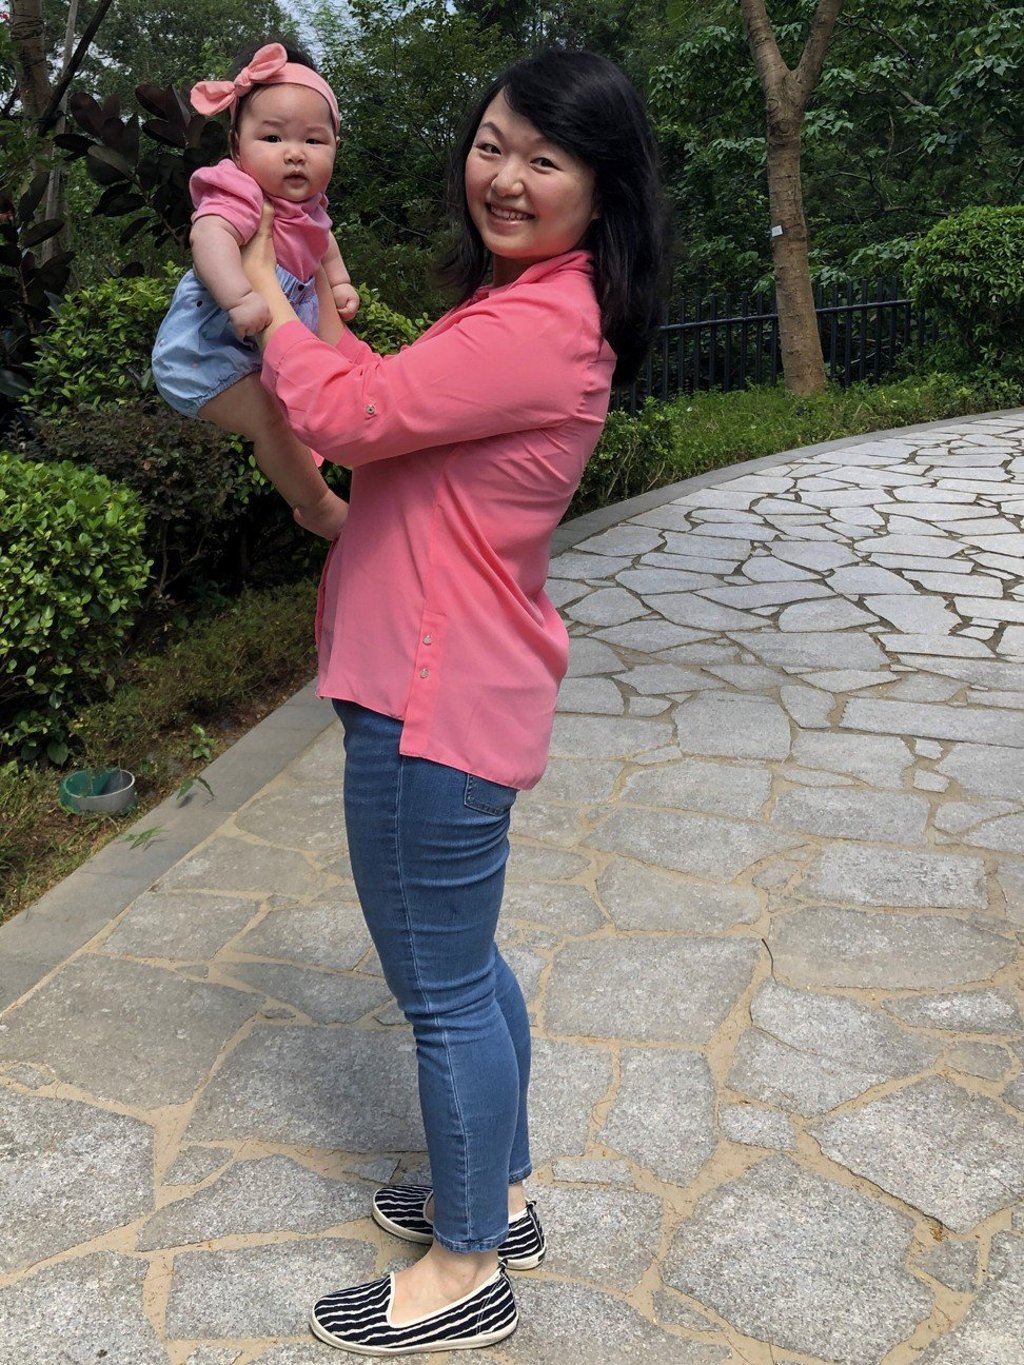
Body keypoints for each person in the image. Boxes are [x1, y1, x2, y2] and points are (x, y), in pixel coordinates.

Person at [239, 47, 666, 1356]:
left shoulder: (538, 322)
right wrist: (326, 313)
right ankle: (506, 1191)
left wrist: (266, 305)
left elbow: (359, 418)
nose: (506, 174)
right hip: (447, 679)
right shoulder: (533, 304)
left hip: (430, 702)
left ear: (603, 190)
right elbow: (400, 407)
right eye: (493, 142)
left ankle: (469, 1260)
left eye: (546, 158)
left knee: (440, 990)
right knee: (465, 968)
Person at [151, 41, 357, 539]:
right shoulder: (241, 192)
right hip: (206, 354)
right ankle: (319, 508)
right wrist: (240, 296)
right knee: (272, 420)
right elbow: (209, 236)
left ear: (334, 147)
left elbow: (323, 239)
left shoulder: (309, 207)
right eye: (271, 137)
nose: (294, 154)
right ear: (236, 147)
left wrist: (340, 280)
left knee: (317, 402)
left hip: (258, 353)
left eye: (314, 141)